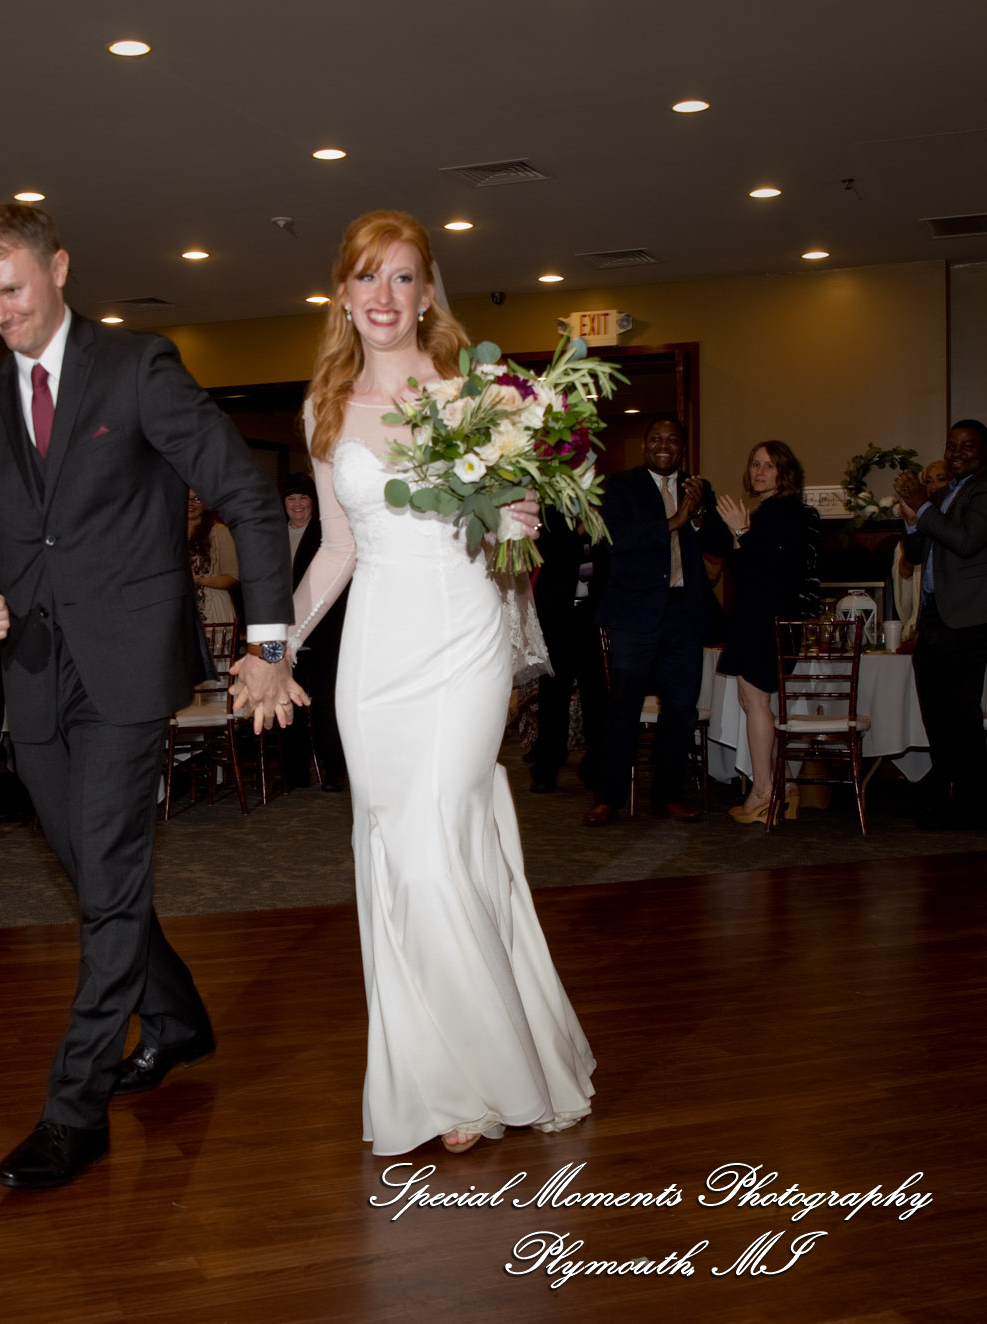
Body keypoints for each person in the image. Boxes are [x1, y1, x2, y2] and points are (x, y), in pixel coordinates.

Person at [0, 202, 297, 1189]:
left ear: (58, 268)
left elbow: (246, 495)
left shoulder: (138, 367)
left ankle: (74, 1109)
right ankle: (175, 1017)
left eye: (13, 290)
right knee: (94, 876)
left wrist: (269, 642)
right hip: (31, 674)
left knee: (104, 876)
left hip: (129, 666)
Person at [283, 209, 593, 1156]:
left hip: (464, 639)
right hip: (375, 654)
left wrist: (518, 518)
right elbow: (337, 549)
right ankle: (438, 1074)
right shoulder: (324, 409)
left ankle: (482, 1075)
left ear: (426, 294)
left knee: (438, 840)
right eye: (367, 276)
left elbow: (509, 540)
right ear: (343, 293)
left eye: (402, 277)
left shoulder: (480, 394)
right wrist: (277, 644)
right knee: (396, 850)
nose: (384, 295)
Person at [583, 417, 732, 826]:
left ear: (682, 447)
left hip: (684, 613)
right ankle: (608, 798)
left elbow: (720, 543)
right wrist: (674, 522)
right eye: (656, 439)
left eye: (672, 440)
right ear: (645, 445)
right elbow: (613, 539)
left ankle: (668, 796)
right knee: (623, 707)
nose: (664, 445)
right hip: (634, 615)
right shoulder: (620, 485)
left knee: (681, 709)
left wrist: (698, 515)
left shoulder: (697, 488)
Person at [714, 441, 822, 823]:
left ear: (784, 472)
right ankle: (786, 786)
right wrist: (742, 534)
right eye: (755, 464)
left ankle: (762, 792)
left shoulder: (784, 512)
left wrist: (741, 530)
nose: (759, 472)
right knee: (753, 703)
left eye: (769, 465)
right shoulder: (774, 512)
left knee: (756, 702)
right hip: (761, 618)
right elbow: (750, 569)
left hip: (764, 621)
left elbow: (771, 571)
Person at [894, 420, 987, 828]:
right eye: (951, 446)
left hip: (967, 619)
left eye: (967, 446)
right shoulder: (944, 493)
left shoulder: (983, 490)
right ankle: (946, 797)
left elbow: (966, 542)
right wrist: (912, 517)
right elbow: (916, 553)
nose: (956, 453)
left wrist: (924, 507)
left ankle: (972, 805)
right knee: (936, 714)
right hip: (933, 617)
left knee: (962, 716)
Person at [529, 509, 607, 794]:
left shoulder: (604, 503)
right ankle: (547, 767)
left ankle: (596, 766)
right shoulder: (551, 507)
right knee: (554, 691)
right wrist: (580, 529)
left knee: (596, 693)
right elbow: (547, 551)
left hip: (593, 613)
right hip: (558, 612)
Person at [281, 472, 348, 792]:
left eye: (303, 497)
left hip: (324, 630)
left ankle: (333, 771)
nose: (297, 504)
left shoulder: (327, 535)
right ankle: (295, 774)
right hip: (283, 631)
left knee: (325, 702)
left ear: (313, 501)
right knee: (288, 699)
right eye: (291, 498)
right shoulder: (274, 535)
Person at [894, 460, 949, 642]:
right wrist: (912, 524)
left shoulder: (956, 522)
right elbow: (905, 571)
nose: (934, 486)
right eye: (928, 481)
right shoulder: (918, 520)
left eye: (941, 479)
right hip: (926, 615)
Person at [186, 490, 240, 625]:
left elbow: (233, 577)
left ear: (206, 504)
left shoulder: (220, 532)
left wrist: (201, 580)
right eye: (186, 498)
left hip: (213, 612)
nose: (190, 503)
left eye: (197, 499)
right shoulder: (168, 532)